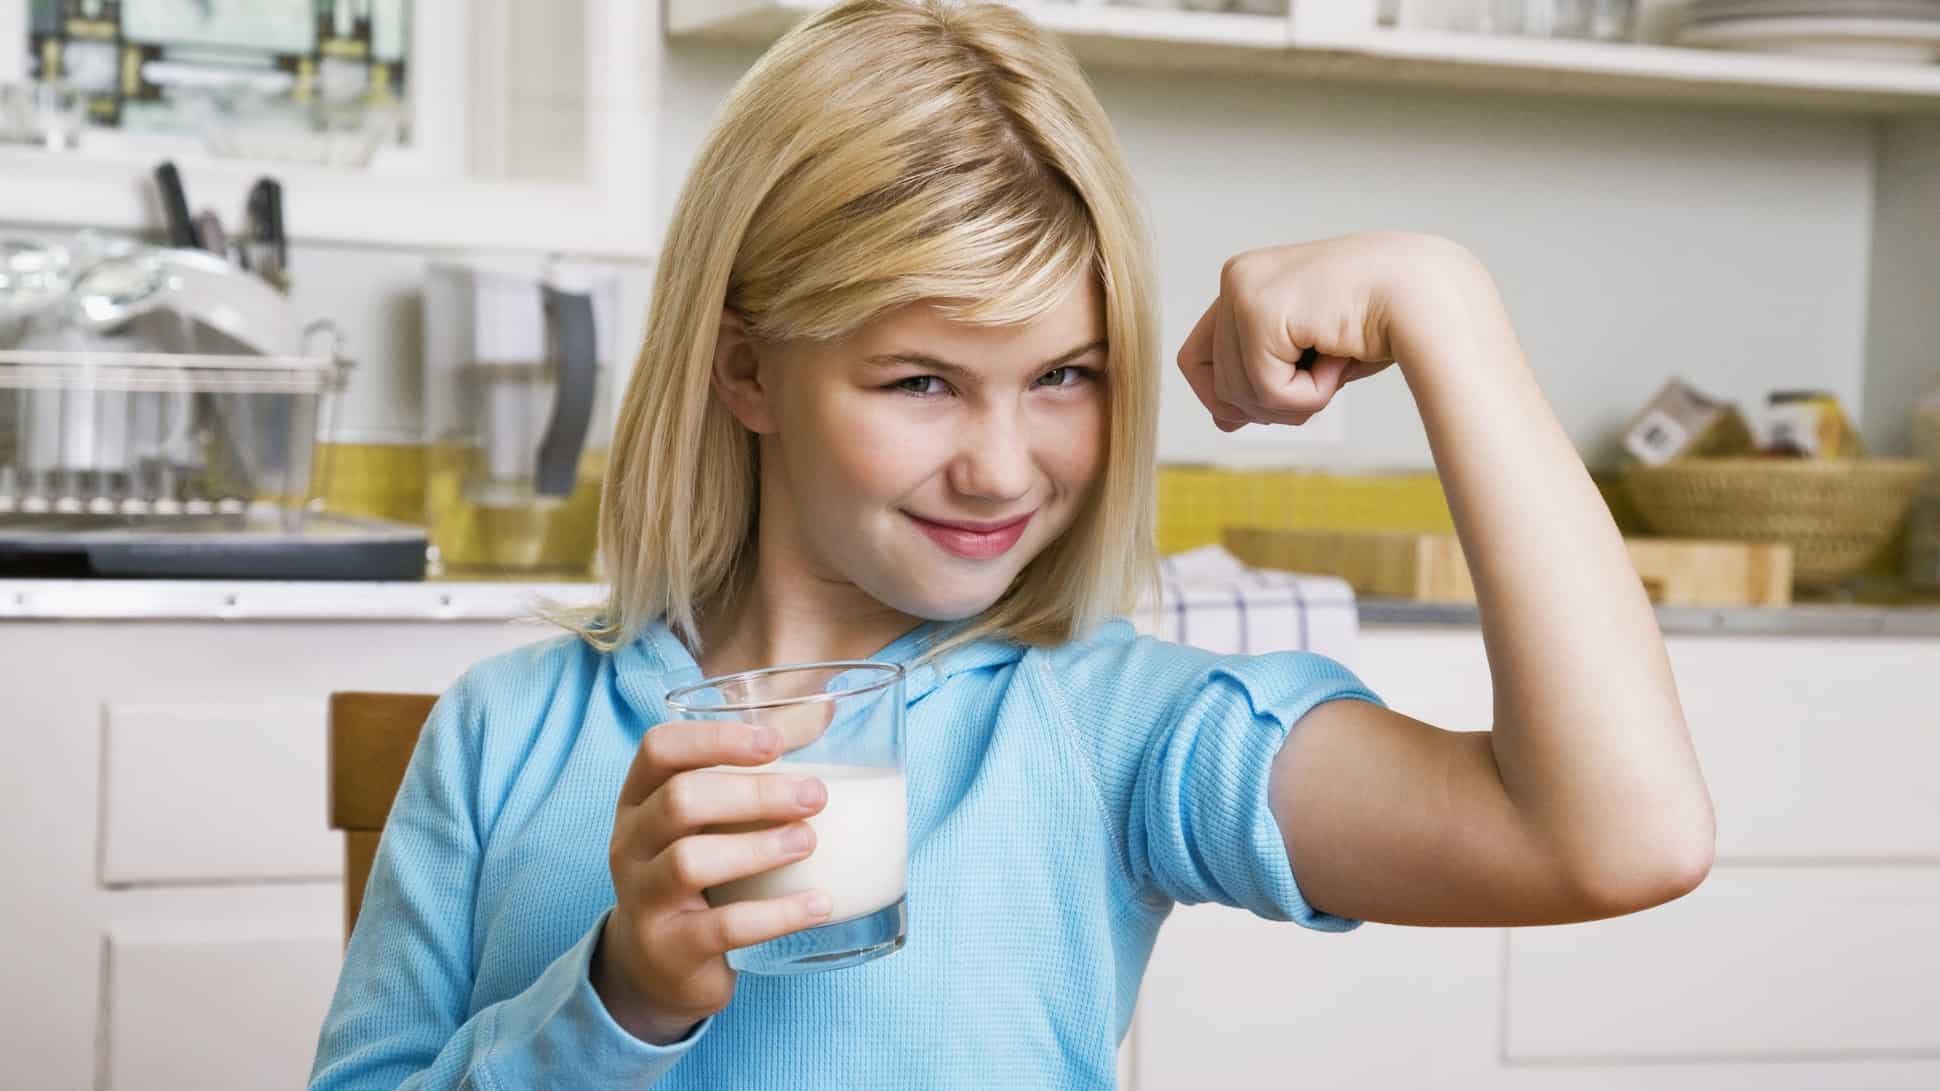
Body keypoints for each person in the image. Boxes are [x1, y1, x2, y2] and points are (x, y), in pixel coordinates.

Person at [308, 2, 1715, 1087]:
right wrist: (617, 997)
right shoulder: (503, 736)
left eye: (1067, 376)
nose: (1001, 464)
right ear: (746, 373)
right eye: (920, 380)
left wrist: (1445, 309)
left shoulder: (1107, 727)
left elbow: (1614, 840)